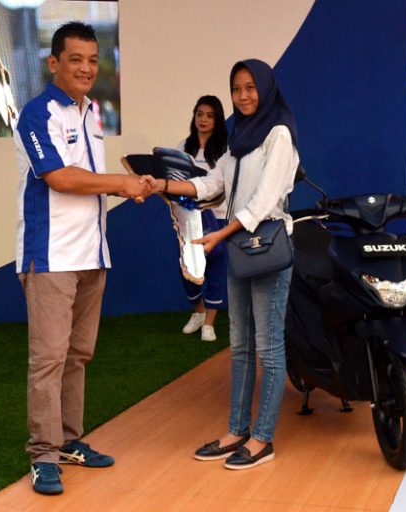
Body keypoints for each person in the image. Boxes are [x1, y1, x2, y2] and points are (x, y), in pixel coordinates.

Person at [13, 22, 152, 495]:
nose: (86, 69)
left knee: (78, 354)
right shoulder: (37, 113)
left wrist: (131, 183)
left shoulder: (91, 112)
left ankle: (69, 440)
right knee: (49, 359)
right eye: (76, 59)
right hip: (50, 256)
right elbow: (59, 177)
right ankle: (43, 455)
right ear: (54, 63)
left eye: (92, 60)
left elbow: (88, 177)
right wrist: (122, 184)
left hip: (92, 253)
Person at [145, 59, 299, 470]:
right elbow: (213, 183)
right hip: (239, 249)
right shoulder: (240, 139)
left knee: (268, 347)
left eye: (250, 87)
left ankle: (262, 439)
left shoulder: (279, 134)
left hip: (265, 248)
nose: (243, 96)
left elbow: (264, 200)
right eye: (236, 89)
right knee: (240, 346)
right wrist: (162, 184)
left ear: (265, 89)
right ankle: (237, 431)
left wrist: (221, 234)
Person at [177, 95, 229, 341]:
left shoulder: (225, 151)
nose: (204, 119)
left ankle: (209, 323)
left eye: (210, 115)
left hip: (218, 217)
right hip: (187, 217)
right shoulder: (182, 148)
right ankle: (198, 312)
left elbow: (225, 185)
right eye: (200, 114)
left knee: (216, 266)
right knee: (187, 267)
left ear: (218, 120)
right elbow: (173, 180)